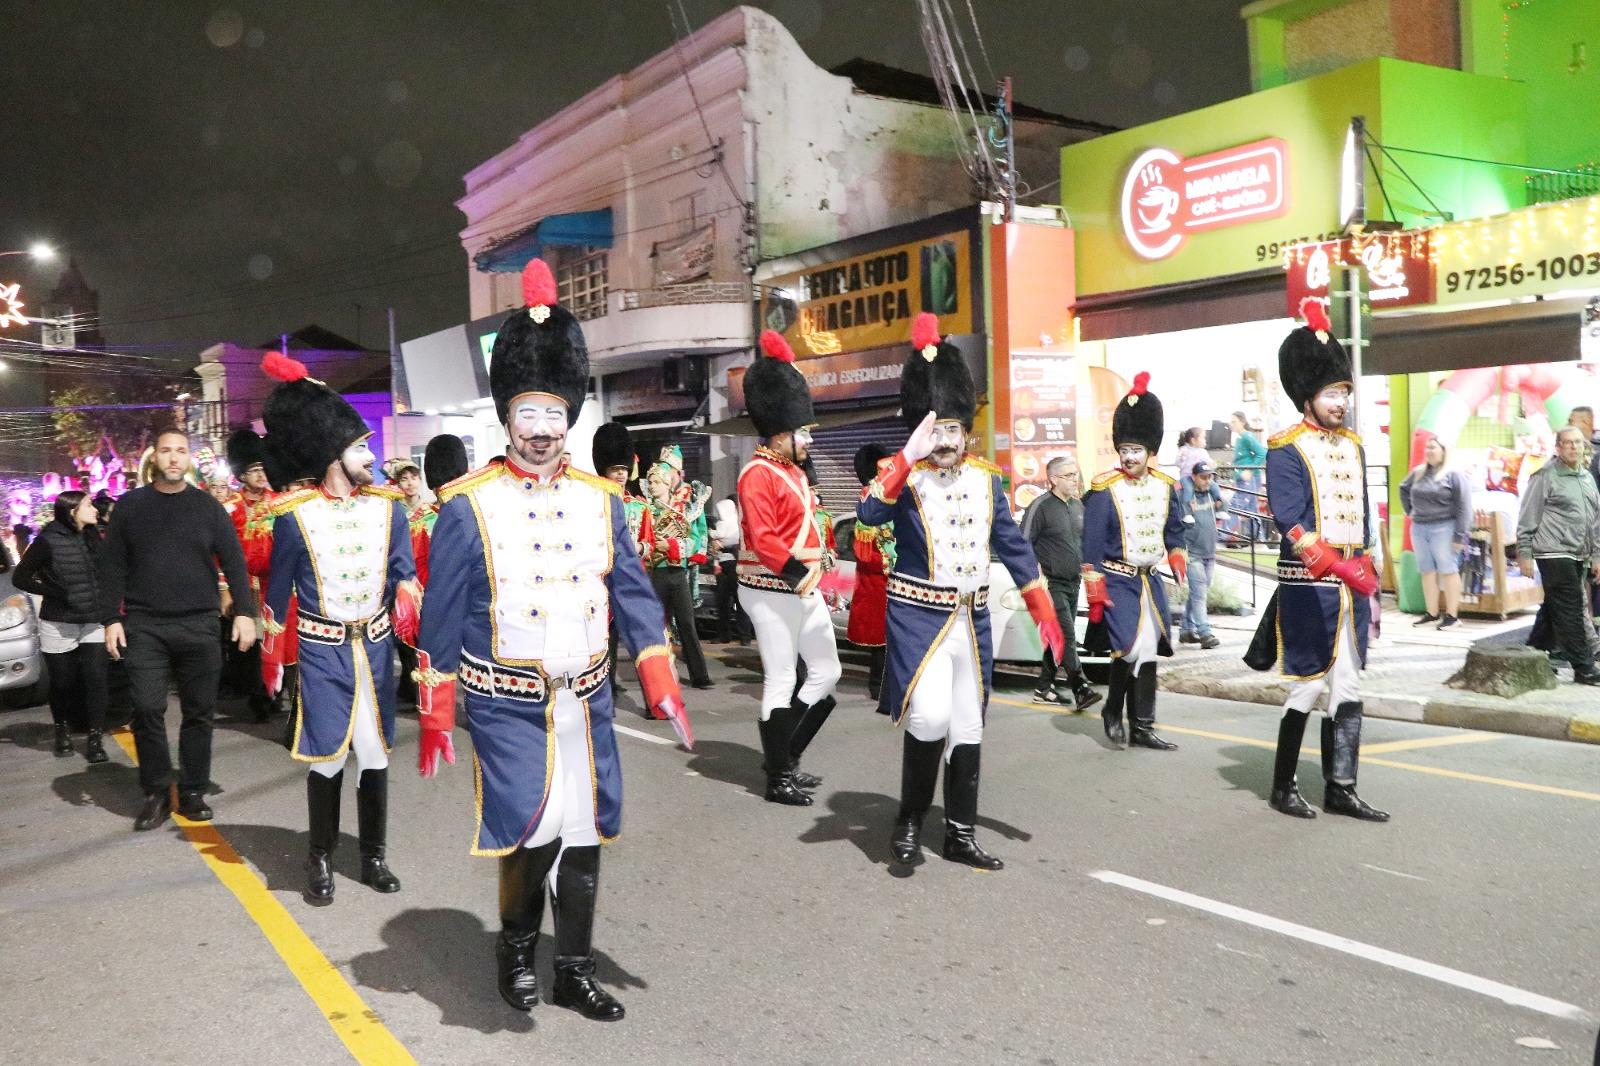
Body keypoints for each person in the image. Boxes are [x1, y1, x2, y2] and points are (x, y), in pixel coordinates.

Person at [414, 258, 688, 1020]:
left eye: (554, 416)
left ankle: (572, 968)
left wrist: (659, 676)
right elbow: (441, 616)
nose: (541, 432)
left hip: (589, 699)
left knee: (585, 832)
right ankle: (514, 954)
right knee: (532, 830)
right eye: (527, 416)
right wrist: (437, 707)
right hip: (507, 705)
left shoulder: (604, 503)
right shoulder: (468, 507)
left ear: (572, 417)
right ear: (507, 420)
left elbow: (631, 592)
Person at [859, 313, 1063, 869]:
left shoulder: (988, 479)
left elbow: (1014, 546)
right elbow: (867, 511)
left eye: (953, 430)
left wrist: (1042, 607)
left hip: (971, 621)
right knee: (927, 719)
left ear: (967, 431)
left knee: (968, 725)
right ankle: (907, 822)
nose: (945, 442)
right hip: (917, 618)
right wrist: (907, 454)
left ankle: (959, 833)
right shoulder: (901, 475)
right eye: (936, 430)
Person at [256, 352, 420, 904]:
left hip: (374, 651)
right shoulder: (294, 517)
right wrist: (269, 655)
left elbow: (404, 572)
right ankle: (320, 858)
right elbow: (276, 594)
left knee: (373, 755)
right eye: (359, 448)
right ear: (333, 457)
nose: (371, 457)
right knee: (327, 757)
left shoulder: (390, 510)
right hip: (323, 654)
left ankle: (373, 855)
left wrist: (409, 594)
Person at [1247, 300, 1388, 821]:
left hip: (1352, 584)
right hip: (1311, 584)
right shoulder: (1285, 448)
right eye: (1332, 393)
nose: (1341, 403)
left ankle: (1341, 787)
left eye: (1345, 392)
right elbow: (1291, 519)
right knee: (1308, 686)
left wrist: (1367, 566)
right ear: (1308, 395)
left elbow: (1364, 515)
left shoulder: (1352, 444)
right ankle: (1283, 785)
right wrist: (1334, 564)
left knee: (1349, 686)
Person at [101, 429, 256, 831]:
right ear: (154, 458)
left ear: (189, 459)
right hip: (145, 624)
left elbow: (235, 562)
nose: (173, 458)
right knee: (148, 708)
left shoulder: (208, 508)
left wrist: (244, 613)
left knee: (199, 712)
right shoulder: (130, 507)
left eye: (181, 452)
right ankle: (155, 790)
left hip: (200, 623)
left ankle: (192, 790)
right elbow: (113, 565)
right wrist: (110, 619)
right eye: (166, 451)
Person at [737, 330, 842, 806]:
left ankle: (784, 755)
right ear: (781, 433)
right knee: (781, 678)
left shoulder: (793, 472)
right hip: (770, 587)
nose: (808, 439)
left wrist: (819, 575)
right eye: (803, 432)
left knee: (827, 671)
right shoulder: (756, 474)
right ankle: (778, 776)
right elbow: (763, 539)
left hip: (800, 587)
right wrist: (803, 579)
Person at [1082, 373, 1186, 752]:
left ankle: (1142, 725)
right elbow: (1091, 544)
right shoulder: (1101, 489)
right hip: (1116, 580)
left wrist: (1177, 557)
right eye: (1124, 449)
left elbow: (1174, 531)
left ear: (1150, 450)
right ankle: (1113, 710)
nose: (1128, 457)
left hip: (1149, 581)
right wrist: (1094, 590)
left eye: (1136, 450)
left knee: (1148, 651)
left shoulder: (1165, 486)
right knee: (1128, 648)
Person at [13, 490, 109, 763]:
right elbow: (21, 577)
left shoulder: (93, 537)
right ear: (72, 511)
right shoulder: (47, 541)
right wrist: (52, 591)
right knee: (63, 683)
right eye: (89, 505)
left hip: (93, 619)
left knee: (96, 679)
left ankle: (94, 738)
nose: (95, 510)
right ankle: (62, 730)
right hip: (59, 622)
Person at [1517, 426, 1600, 685]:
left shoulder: (1586, 478)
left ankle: (1533, 655)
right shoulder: (1544, 476)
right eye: (1567, 443)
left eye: (1578, 442)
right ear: (1558, 447)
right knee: (1572, 607)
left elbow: (1594, 521)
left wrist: (1596, 555)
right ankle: (1583, 666)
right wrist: (1525, 553)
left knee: (1554, 605)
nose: (1574, 447)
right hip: (1553, 552)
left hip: (1579, 554)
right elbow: (1527, 517)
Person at [1021, 453, 1100, 709]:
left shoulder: (1078, 506)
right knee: (1066, 634)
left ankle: (1044, 688)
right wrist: (1034, 578)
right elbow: (1022, 544)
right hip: (1049, 583)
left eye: (1076, 474)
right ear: (1053, 479)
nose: (1075, 480)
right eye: (1069, 475)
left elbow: (1083, 542)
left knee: (1058, 635)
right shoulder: (1040, 506)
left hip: (1073, 582)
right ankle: (1080, 686)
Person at [593, 422, 658, 705]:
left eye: (623, 470)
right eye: (614, 470)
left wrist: (638, 549)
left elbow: (651, 543)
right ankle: (606, 691)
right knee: (607, 641)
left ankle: (654, 699)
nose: (620, 475)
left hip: (633, 582)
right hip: (605, 583)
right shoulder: (593, 504)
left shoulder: (640, 506)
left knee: (644, 643)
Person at [643, 457, 713, 690]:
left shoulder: (682, 510)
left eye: (656, 482)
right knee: (656, 628)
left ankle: (699, 675)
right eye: (650, 481)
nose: (651, 485)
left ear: (666, 484)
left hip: (677, 573)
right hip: (656, 574)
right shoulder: (646, 511)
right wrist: (655, 547)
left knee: (687, 624)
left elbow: (693, 542)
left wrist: (670, 546)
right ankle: (658, 677)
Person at [224, 429, 276, 722]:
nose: (260, 474)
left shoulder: (279, 503)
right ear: (242, 474)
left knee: (275, 640)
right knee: (251, 646)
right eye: (253, 470)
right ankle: (258, 695)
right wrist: (226, 590)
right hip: (246, 586)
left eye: (262, 468)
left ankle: (274, 690)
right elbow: (218, 554)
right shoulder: (230, 508)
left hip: (277, 586)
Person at [1400, 437, 1474, 630]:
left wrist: (1459, 535)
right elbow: (1403, 489)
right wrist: (1411, 512)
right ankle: (1431, 613)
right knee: (1427, 571)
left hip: (1445, 527)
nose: (1429, 451)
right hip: (1419, 527)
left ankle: (1452, 616)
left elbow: (1464, 506)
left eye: (1433, 447)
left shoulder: (1454, 475)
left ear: (1443, 450)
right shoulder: (1418, 473)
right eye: (1427, 447)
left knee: (1448, 570)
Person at [846, 443, 893, 703]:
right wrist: (890, 562)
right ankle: (878, 683)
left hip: (895, 580)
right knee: (880, 641)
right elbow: (864, 553)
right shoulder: (867, 503)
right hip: (877, 582)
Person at [1178, 460, 1224, 649]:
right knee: (1199, 594)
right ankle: (1205, 632)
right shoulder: (1185, 495)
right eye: (1203, 477)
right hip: (1193, 552)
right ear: (1194, 477)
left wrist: (1221, 502)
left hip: (1209, 552)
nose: (1207, 481)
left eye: (1210, 477)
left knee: (1199, 592)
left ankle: (1186, 629)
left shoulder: (1211, 494)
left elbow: (1222, 505)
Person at [710, 492, 751, 645]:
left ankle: (745, 637)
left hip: (738, 565)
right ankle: (724, 634)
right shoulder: (722, 524)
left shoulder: (742, 524)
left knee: (741, 602)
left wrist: (724, 544)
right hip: (722, 566)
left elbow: (745, 544)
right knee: (722, 601)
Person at [1230, 411, 1267, 540]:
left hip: (1248, 478)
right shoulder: (1241, 438)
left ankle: (1223, 535)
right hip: (1243, 477)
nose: (1231, 424)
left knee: (1235, 506)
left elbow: (1262, 452)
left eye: (1234, 421)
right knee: (1251, 509)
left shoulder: (1247, 437)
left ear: (1242, 422)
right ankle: (1258, 537)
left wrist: (1250, 470)